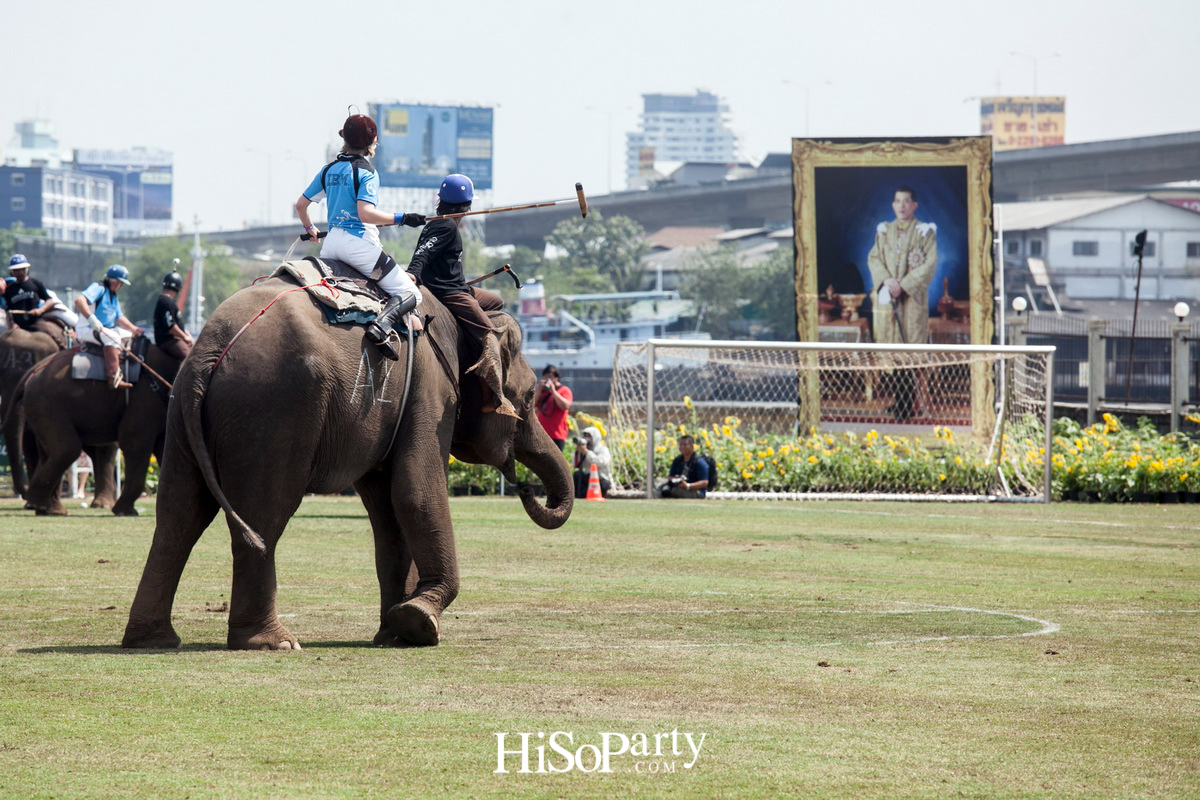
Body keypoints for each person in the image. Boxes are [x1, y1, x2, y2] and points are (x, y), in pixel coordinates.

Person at [295, 112, 426, 359]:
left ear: (343, 138)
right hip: (358, 248)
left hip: (331, 245)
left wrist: (310, 229)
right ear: (373, 140)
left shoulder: (328, 170)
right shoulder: (367, 172)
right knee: (412, 294)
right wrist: (403, 218)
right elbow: (365, 214)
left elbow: (301, 205)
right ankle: (381, 327)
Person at [406, 173, 516, 416]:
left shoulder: (438, 223)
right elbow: (423, 254)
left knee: (496, 300)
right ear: (466, 206)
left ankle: (464, 342)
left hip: (460, 286)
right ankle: (490, 396)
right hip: (450, 293)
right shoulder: (446, 226)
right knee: (488, 334)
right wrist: (413, 273)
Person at [866, 187, 937, 421]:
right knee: (893, 353)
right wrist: (887, 281)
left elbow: (929, 264)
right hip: (889, 299)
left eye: (907, 201)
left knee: (909, 351)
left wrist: (903, 285)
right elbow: (874, 258)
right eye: (897, 201)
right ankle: (899, 401)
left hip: (911, 301)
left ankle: (907, 405)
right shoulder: (884, 232)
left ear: (914, 205)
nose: (902, 206)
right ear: (893, 205)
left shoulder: (924, 232)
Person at [73, 265, 144, 389]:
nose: (118, 285)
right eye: (118, 282)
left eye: (120, 283)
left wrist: (134, 329)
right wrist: (92, 319)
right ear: (112, 281)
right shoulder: (99, 288)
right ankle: (113, 377)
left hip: (105, 329)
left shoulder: (113, 296)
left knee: (128, 336)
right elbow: (79, 301)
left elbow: (120, 317)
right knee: (113, 336)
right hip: (88, 329)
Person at [5, 254, 67, 348]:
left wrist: (40, 310)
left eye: (22, 269)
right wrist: (12, 325)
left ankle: (63, 349)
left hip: (36, 322)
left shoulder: (35, 283)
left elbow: (49, 301)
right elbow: (8, 311)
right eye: (17, 270)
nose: (20, 272)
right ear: (12, 272)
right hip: (19, 326)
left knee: (53, 336)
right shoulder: (9, 290)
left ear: (26, 269)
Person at [154, 270, 193, 361]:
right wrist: (185, 337)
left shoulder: (169, 302)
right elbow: (171, 326)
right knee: (189, 359)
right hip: (167, 340)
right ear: (178, 288)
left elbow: (177, 323)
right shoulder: (165, 301)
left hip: (173, 338)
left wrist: (188, 335)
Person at [534, 365, 573, 449]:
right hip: (541, 434)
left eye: (550, 377)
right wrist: (539, 390)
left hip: (556, 435)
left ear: (556, 378)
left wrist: (553, 391)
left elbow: (565, 406)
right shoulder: (543, 392)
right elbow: (532, 404)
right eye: (545, 377)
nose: (547, 379)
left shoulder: (564, 390)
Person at [660, 434, 709, 499]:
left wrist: (687, 485)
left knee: (675, 491)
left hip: (695, 491)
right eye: (680, 445)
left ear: (692, 446)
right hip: (678, 487)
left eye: (685, 445)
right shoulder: (677, 460)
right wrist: (675, 478)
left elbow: (704, 482)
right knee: (659, 482)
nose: (682, 447)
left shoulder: (700, 462)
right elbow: (671, 475)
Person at [572, 425, 612, 498]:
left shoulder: (603, 449)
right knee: (577, 474)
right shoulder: (583, 450)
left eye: (589, 436)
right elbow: (575, 465)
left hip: (600, 479)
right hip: (588, 477)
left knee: (603, 485)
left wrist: (587, 452)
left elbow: (600, 462)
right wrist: (578, 452)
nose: (587, 438)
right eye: (585, 435)